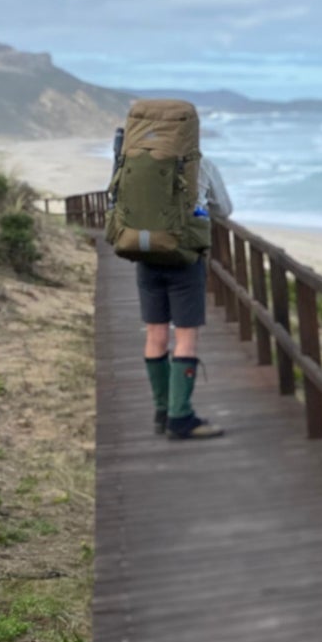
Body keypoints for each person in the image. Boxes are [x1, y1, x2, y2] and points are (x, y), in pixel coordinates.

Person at [111, 124, 233, 441]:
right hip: (184, 259)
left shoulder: (136, 164)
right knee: (186, 337)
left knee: (155, 334)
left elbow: (117, 201)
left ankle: (161, 411)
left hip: (147, 255)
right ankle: (181, 417)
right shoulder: (200, 165)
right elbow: (225, 209)